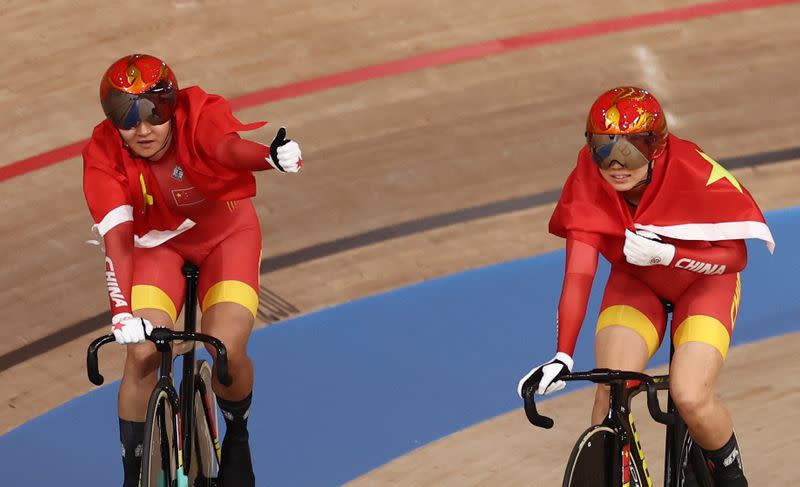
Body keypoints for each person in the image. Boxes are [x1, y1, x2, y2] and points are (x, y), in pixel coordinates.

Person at [517, 86, 774, 486]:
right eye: (603, 148)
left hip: (704, 284)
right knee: (608, 394)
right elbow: (579, 274)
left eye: (631, 151)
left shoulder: (690, 170)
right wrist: (562, 354)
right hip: (636, 283)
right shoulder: (588, 177)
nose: (616, 164)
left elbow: (736, 258)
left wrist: (669, 255)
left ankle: (731, 477)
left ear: (655, 149)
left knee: (689, 395)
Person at [82, 54, 302, 487]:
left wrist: (268, 156)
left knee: (224, 347)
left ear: (171, 107)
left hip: (226, 237)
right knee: (143, 354)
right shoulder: (103, 154)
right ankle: (133, 474)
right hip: (154, 248)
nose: (142, 130)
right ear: (111, 121)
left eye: (154, 114)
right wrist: (122, 313)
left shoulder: (196, 118)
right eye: (127, 119)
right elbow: (118, 242)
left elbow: (226, 148)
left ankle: (236, 435)